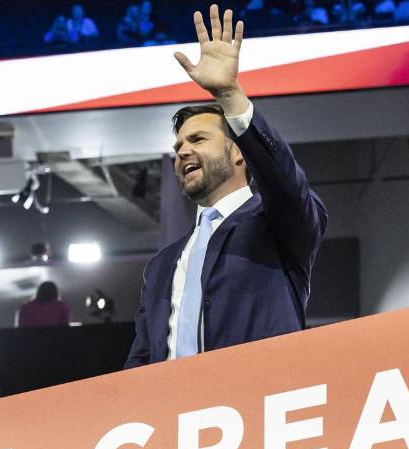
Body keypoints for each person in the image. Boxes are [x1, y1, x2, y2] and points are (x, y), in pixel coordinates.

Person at [125, 5, 327, 368]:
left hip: (258, 408)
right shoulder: (160, 266)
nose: (183, 150)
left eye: (198, 139)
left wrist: (230, 93)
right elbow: (140, 360)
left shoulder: (279, 225)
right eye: (177, 147)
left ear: (240, 153)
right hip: (174, 417)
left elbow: (285, 182)